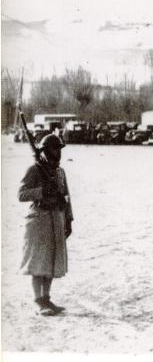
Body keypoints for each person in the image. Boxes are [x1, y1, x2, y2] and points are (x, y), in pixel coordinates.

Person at [18, 134, 73, 316]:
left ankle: (47, 298)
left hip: (56, 218)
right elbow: (21, 194)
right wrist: (42, 191)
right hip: (39, 220)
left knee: (51, 261)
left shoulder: (60, 172)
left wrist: (69, 219)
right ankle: (38, 300)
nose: (58, 152)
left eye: (59, 149)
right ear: (45, 150)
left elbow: (66, 196)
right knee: (38, 262)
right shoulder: (34, 170)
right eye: (54, 148)